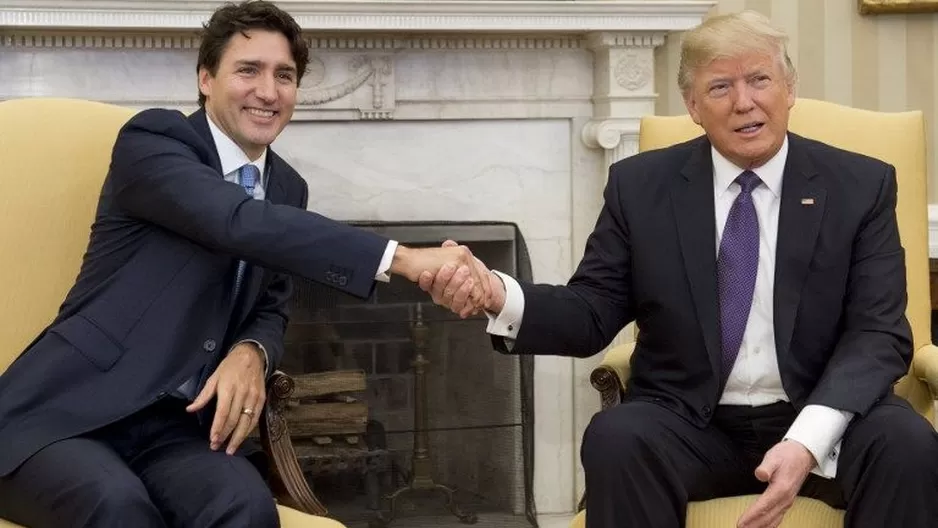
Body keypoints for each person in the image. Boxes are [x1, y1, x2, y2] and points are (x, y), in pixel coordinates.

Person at [419, 10, 938, 528]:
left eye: (760, 79)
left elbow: (879, 332)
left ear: (789, 88)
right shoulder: (641, 187)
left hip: (824, 417)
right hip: (692, 423)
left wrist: (806, 441)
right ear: (692, 105)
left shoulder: (859, 185)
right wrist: (494, 293)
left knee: (906, 443)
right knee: (617, 438)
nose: (744, 102)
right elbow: (592, 311)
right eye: (719, 87)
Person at [0, 1, 489, 527]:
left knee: (247, 508)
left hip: (177, 428)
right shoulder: (155, 143)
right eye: (247, 70)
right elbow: (235, 222)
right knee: (117, 507)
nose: (268, 91)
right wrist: (405, 259)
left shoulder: (286, 187)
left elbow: (273, 305)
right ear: (206, 78)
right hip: (65, 416)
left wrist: (252, 351)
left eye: (284, 75)